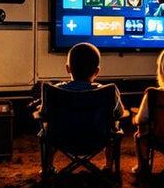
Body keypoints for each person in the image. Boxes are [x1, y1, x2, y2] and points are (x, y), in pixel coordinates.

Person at [34, 42, 125, 175]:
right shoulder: (108, 91)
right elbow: (119, 113)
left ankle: (47, 168)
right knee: (114, 128)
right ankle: (108, 167)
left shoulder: (54, 91)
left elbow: (44, 114)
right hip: (97, 140)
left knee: (47, 131)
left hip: (62, 139)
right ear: (97, 71)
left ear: (68, 68)